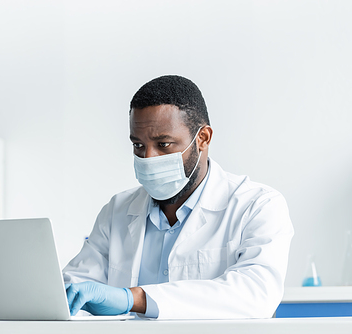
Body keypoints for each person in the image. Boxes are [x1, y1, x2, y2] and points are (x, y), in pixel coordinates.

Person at [63, 75, 294, 319]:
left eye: (163, 144)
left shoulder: (257, 205)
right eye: (138, 146)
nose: (148, 158)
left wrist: (134, 298)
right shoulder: (118, 210)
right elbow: (73, 290)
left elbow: (255, 294)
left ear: (202, 138)